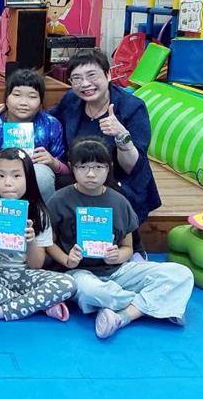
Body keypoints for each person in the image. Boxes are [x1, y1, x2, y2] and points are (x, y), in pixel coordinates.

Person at [45, 138, 193, 339]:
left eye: (98, 167)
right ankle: (155, 303)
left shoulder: (119, 201)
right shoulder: (59, 200)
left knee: (181, 274)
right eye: (83, 167)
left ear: (109, 168)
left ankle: (123, 315)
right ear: (72, 167)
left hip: (117, 271)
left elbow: (128, 248)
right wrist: (66, 259)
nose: (91, 174)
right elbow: (48, 242)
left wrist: (118, 256)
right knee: (92, 292)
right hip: (79, 272)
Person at [49, 49, 160, 253]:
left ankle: (131, 248)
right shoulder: (71, 100)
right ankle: (63, 249)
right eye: (76, 78)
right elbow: (46, 120)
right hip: (79, 175)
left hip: (121, 180)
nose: (85, 84)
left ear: (108, 75)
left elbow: (133, 166)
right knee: (57, 183)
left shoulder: (132, 107)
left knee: (111, 191)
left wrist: (121, 136)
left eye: (92, 75)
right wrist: (8, 108)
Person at [0, 148, 75, 322]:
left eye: (16, 176)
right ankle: (39, 305)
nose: (8, 183)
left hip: (24, 274)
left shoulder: (38, 212)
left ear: (28, 178)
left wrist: (31, 242)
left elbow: (36, 265)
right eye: (1, 176)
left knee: (68, 283)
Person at [0, 68, 65, 201]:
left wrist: (52, 161)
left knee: (42, 175)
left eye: (32, 96)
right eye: (16, 95)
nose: (23, 103)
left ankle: (41, 214)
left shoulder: (51, 125)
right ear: (6, 98)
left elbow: (65, 168)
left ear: (41, 101)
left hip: (37, 178)